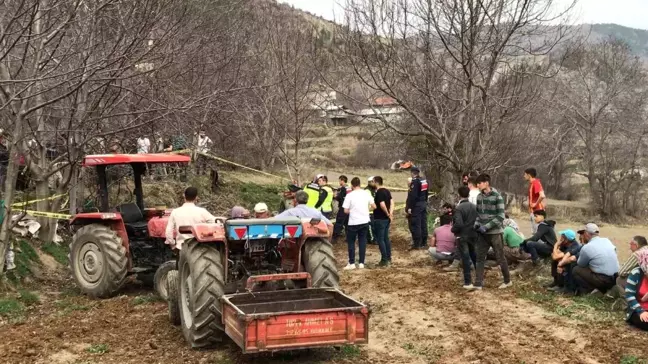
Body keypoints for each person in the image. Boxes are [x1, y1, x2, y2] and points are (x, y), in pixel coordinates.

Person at [473, 173, 511, 290]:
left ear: (486, 183)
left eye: (479, 183)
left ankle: (507, 281)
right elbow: (478, 214)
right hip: (482, 234)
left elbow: (500, 216)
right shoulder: (479, 197)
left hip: (495, 233)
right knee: (479, 257)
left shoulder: (497, 197)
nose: (478, 185)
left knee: (500, 258)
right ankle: (478, 283)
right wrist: (476, 224)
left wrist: (487, 226)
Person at [573, 223, 619, 295]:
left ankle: (589, 291)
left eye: (583, 233)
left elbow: (580, 264)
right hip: (615, 278)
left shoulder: (587, 247)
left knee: (576, 270)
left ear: (586, 234)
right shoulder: (607, 240)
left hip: (603, 280)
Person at [342, 177, 376, 270]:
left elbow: (345, 210)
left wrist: (352, 211)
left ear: (352, 185)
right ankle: (361, 263)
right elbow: (374, 206)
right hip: (364, 221)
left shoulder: (349, 195)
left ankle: (352, 263)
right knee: (362, 242)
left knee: (351, 242)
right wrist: (366, 210)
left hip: (353, 222)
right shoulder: (366, 193)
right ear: (360, 184)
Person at [452, 186, 478, 288]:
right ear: (468, 194)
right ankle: (479, 280)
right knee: (475, 257)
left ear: (459, 195)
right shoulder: (474, 206)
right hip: (474, 234)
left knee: (466, 258)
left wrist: (453, 230)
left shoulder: (458, 208)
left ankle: (468, 282)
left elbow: (458, 224)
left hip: (463, 236)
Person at [624, 248, 648, 331]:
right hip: (638, 308)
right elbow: (629, 295)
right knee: (645, 321)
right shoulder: (635, 273)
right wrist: (640, 311)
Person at [406, 166, 429, 250]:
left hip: (416, 205)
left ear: (412, 173)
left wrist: (410, 208)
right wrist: (425, 202)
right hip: (423, 203)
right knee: (423, 223)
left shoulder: (415, 182)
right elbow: (426, 193)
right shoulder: (424, 181)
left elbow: (413, 196)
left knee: (416, 224)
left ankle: (417, 244)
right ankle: (424, 242)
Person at [373, 176, 393, 267]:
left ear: (376, 182)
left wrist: (387, 213)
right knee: (386, 238)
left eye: (373, 181)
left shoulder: (379, 192)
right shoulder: (387, 191)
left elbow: (382, 204)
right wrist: (390, 214)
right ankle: (389, 258)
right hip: (386, 219)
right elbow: (392, 202)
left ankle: (384, 260)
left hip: (380, 218)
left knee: (380, 239)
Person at [524, 167, 546, 233]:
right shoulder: (532, 184)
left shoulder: (536, 183)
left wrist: (535, 204)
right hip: (533, 212)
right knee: (534, 233)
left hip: (537, 212)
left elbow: (542, 195)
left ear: (529, 175)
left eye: (525, 174)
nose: (524, 176)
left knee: (538, 233)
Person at [332, 175, 351, 242]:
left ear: (342, 180)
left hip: (343, 208)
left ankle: (334, 238)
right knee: (347, 224)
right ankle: (349, 238)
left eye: (339, 180)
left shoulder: (343, 188)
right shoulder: (349, 188)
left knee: (339, 223)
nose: (339, 182)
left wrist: (334, 196)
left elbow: (340, 197)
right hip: (349, 208)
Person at [365, 177, 377, 245]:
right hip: (369, 211)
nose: (374, 183)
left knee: (373, 225)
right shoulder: (367, 190)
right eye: (373, 182)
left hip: (374, 211)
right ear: (370, 182)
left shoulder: (373, 189)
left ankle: (371, 238)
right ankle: (371, 239)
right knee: (370, 226)